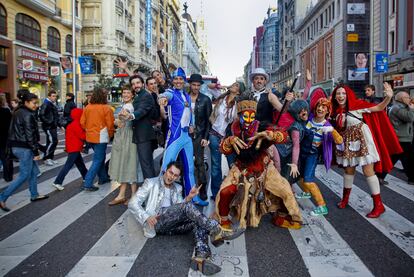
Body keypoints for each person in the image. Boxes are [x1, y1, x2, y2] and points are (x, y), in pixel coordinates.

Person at [128, 161, 244, 276]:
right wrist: (146, 217)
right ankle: (217, 230)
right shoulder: (151, 182)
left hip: (170, 226)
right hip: (156, 222)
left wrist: (188, 197)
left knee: (197, 222)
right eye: (170, 173)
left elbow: (179, 209)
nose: (171, 177)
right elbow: (133, 203)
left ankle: (201, 257)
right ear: (165, 171)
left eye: (175, 175)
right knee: (189, 208)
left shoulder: (177, 188)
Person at [215, 95, 302, 229]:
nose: (249, 120)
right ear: (239, 115)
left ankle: (282, 216)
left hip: (263, 167)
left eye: (252, 116)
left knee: (285, 189)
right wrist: (229, 141)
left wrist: (271, 135)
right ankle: (224, 220)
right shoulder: (232, 129)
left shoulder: (261, 126)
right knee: (225, 191)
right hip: (241, 167)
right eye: (245, 116)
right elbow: (222, 149)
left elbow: (284, 136)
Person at [331, 83, 401, 218]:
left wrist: (388, 97)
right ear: (335, 96)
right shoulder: (335, 111)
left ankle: (378, 205)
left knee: (368, 171)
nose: (340, 96)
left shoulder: (357, 106)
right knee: (348, 171)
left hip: (363, 141)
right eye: (338, 93)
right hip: (347, 143)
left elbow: (379, 107)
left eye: (343, 93)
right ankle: (345, 199)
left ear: (348, 95)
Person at [0, 91, 48, 212]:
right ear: (26, 102)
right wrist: (36, 152)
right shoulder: (27, 114)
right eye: (34, 103)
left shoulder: (18, 111)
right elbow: (29, 134)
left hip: (18, 146)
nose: (36, 105)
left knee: (33, 172)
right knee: (24, 175)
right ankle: (2, 197)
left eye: (37, 103)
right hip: (24, 147)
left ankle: (34, 194)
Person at [159, 67, 197, 197]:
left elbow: (189, 112)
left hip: (186, 137)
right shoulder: (170, 92)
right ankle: (160, 198)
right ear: (173, 81)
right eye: (176, 79)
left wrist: (192, 125)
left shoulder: (186, 95)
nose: (178, 81)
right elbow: (164, 96)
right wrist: (162, 99)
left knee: (190, 169)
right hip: (175, 136)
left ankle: (192, 197)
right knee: (166, 169)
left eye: (181, 79)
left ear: (184, 81)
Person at [208, 81, 244, 200]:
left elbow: (238, 123)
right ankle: (216, 193)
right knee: (215, 166)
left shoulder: (239, 104)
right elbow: (207, 87)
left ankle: (233, 192)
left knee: (232, 165)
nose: (233, 85)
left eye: (236, 85)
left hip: (229, 138)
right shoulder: (221, 98)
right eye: (232, 84)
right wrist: (221, 86)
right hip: (214, 134)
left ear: (239, 91)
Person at [108, 85, 142, 205]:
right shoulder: (126, 105)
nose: (126, 95)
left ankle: (133, 196)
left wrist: (118, 119)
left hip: (128, 138)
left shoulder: (128, 106)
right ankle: (123, 195)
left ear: (132, 95)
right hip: (124, 137)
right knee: (126, 165)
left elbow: (124, 115)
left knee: (129, 164)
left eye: (128, 93)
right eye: (124, 93)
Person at [121, 75, 157, 179]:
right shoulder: (138, 95)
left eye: (137, 83)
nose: (135, 85)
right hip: (140, 135)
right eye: (133, 84)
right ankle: (151, 189)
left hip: (144, 135)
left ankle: (151, 191)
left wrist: (131, 116)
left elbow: (142, 110)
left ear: (142, 84)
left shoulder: (145, 95)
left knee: (146, 165)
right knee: (146, 164)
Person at [80, 88, 114, 191]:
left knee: (100, 157)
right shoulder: (106, 108)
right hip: (101, 136)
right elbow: (110, 124)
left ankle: (103, 178)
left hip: (90, 136)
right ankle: (88, 182)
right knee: (98, 160)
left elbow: (82, 122)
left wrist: (89, 129)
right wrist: (110, 134)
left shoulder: (88, 107)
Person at [188, 74, 212, 205]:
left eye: (198, 85)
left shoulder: (205, 100)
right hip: (184, 135)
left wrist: (205, 137)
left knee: (199, 163)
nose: (196, 87)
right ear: (190, 84)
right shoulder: (184, 97)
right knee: (185, 163)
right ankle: (186, 188)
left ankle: (202, 190)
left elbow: (209, 121)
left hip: (198, 136)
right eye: (193, 85)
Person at [52, 108, 88, 191]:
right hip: (74, 148)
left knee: (80, 163)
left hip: (73, 147)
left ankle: (86, 176)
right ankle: (58, 181)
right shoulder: (76, 124)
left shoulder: (72, 123)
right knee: (68, 165)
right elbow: (82, 136)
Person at [387, 91, 414, 184]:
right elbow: (409, 118)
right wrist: (411, 108)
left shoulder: (401, 107)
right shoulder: (397, 108)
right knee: (408, 159)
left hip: (403, 137)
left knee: (401, 158)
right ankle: (412, 178)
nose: (409, 99)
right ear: (402, 99)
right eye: (407, 97)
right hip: (401, 138)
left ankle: (380, 175)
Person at [39, 90, 62, 166]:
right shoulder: (46, 104)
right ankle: (47, 158)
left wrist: (59, 125)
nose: (54, 97)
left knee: (51, 141)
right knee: (53, 141)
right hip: (49, 126)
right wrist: (49, 122)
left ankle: (50, 158)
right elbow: (41, 115)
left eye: (55, 96)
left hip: (52, 126)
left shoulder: (52, 104)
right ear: (49, 96)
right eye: (53, 96)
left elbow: (56, 116)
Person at [0, 95, 13, 181]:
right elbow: (11, 125)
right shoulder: (6, 111)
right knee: (6, 158)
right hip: (4, 137)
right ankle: (8, 176)